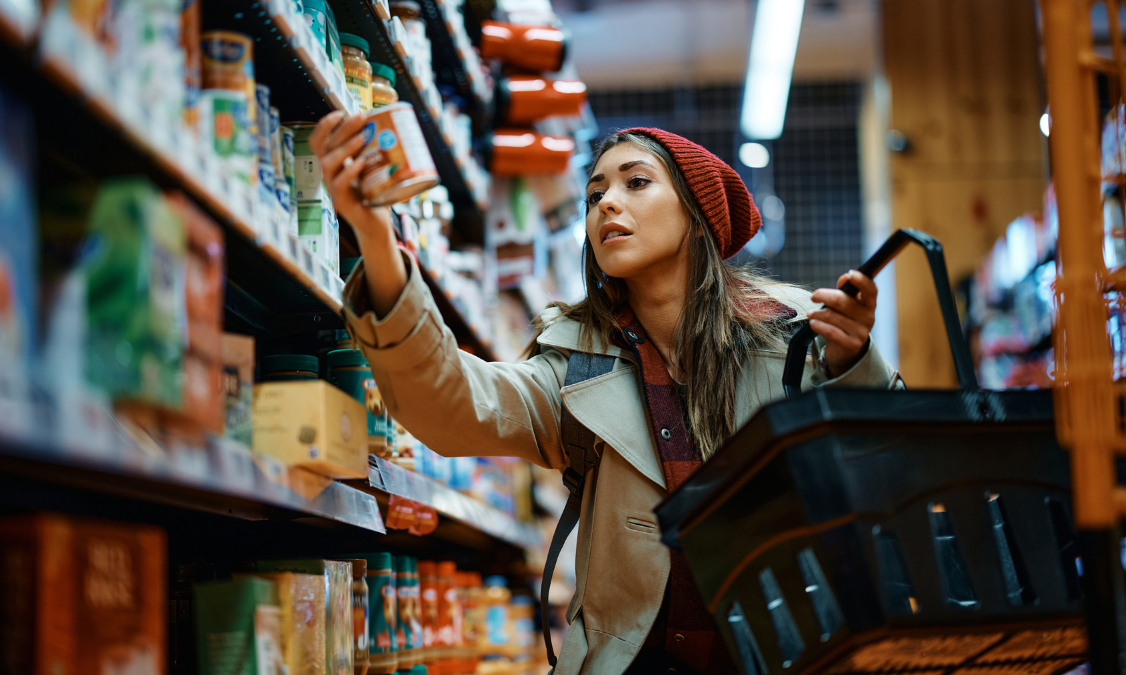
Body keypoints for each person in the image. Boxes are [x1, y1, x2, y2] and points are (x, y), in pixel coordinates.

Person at [310, 113, 899, 675]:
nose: (607, 203)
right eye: (595, 196)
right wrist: (376, 237)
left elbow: (891, 467)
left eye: (636, 183)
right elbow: (452, 402)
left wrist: (854, 364)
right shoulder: (575, 362)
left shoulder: (796, 334)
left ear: (697, 213)